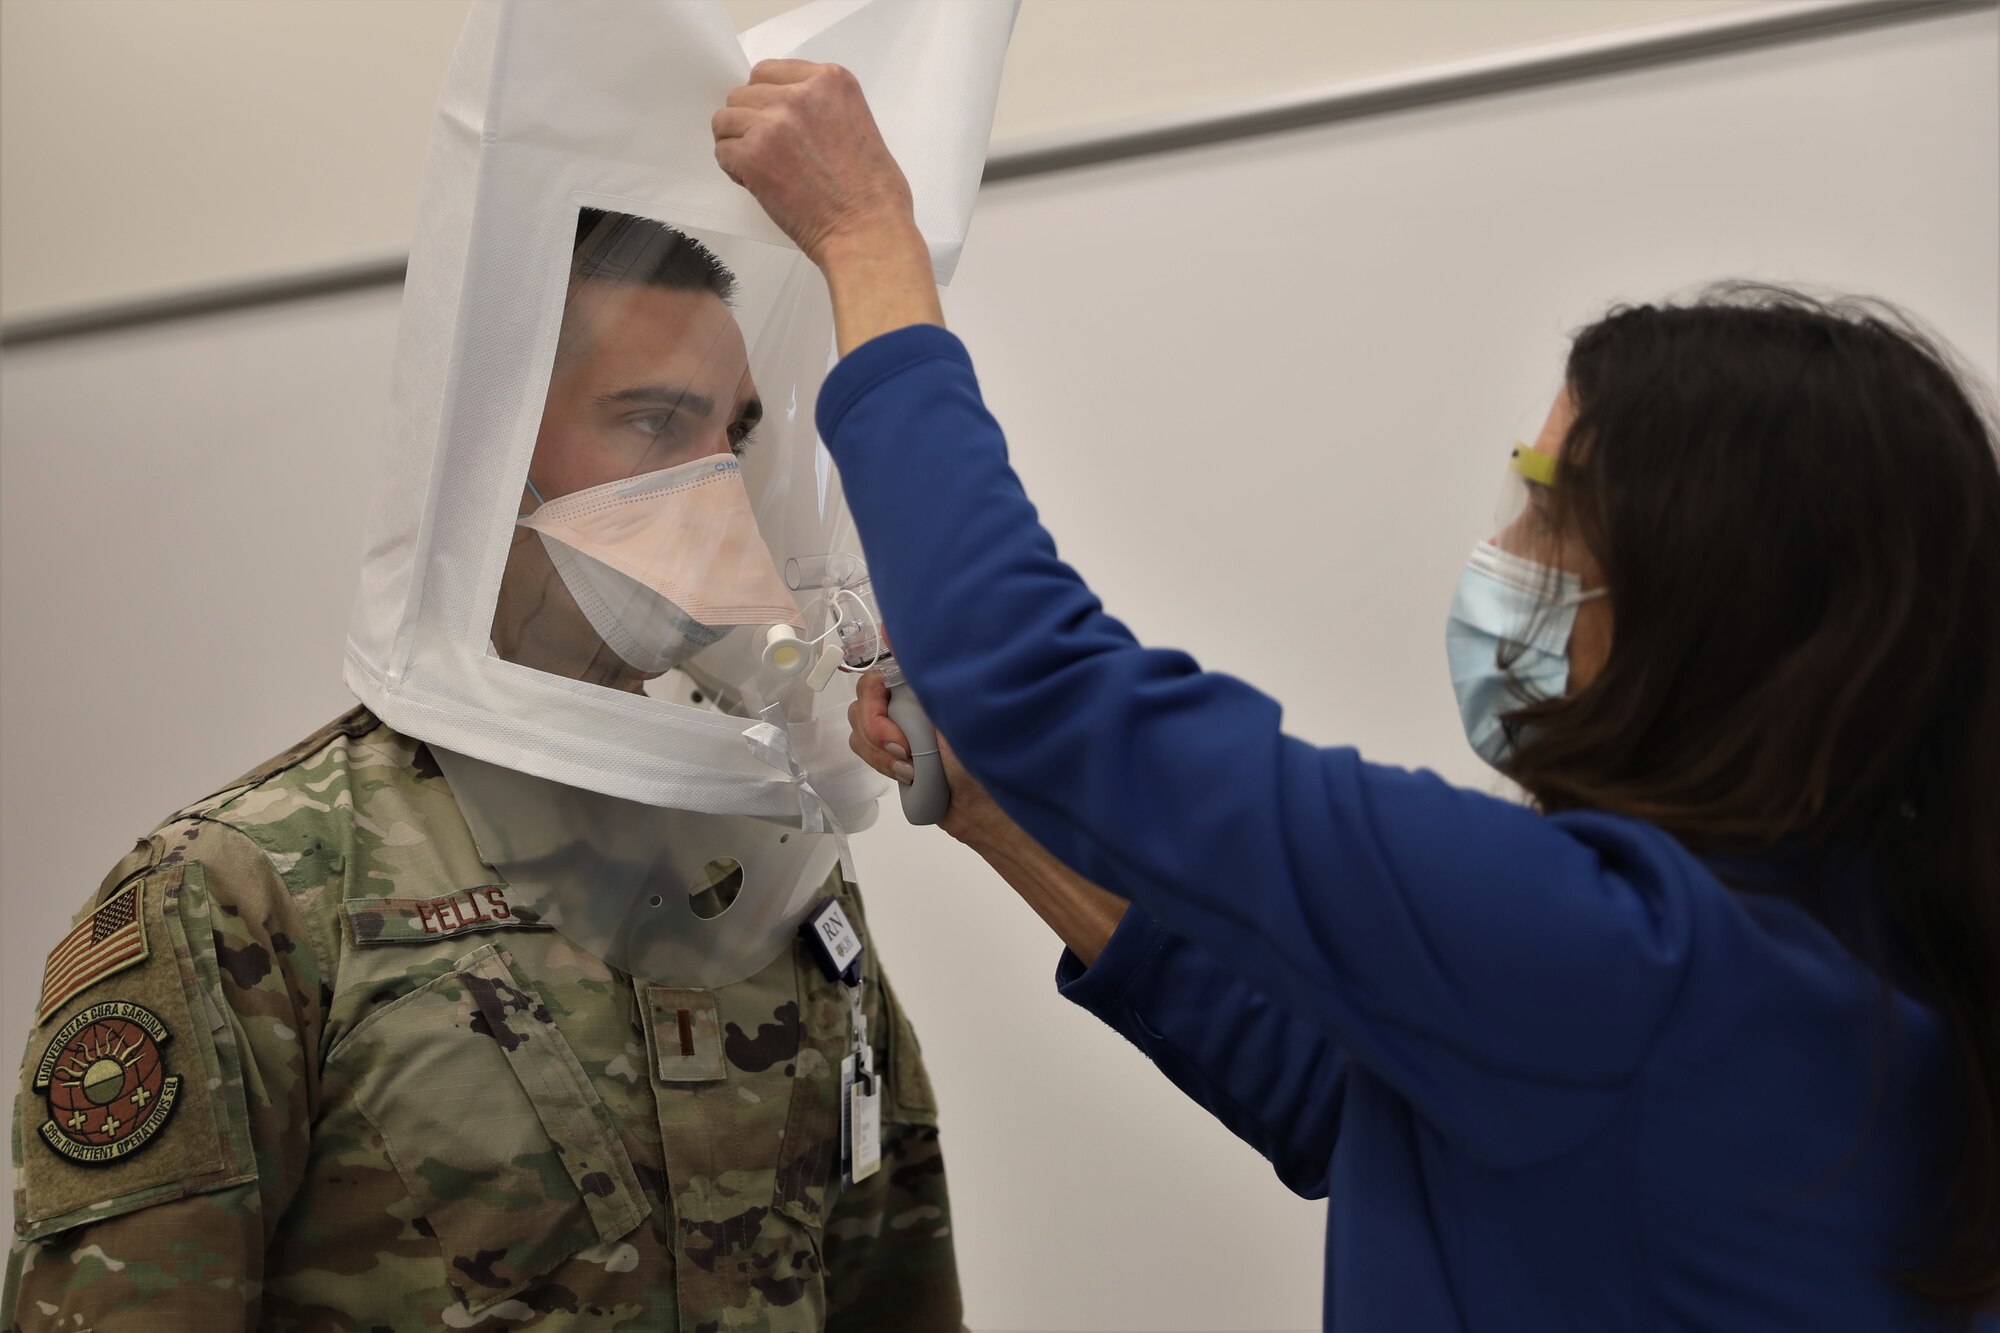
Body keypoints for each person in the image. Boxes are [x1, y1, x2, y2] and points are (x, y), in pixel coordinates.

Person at [714, 61, 2000, 1330]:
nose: (1504, 550)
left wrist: (863, 237)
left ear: (1710, 601)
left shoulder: (1611, 954)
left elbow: (1037, 677)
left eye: (1547, 506)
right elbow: (1348, 1102)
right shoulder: (1845, 960)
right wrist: (1000, 810)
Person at [2, 208, 962, 1332]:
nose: (711, 491)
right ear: (487, 452)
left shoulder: (760, 854)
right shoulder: (247, 891)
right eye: (653, 421)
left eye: (731, 440)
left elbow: (892, 1279)